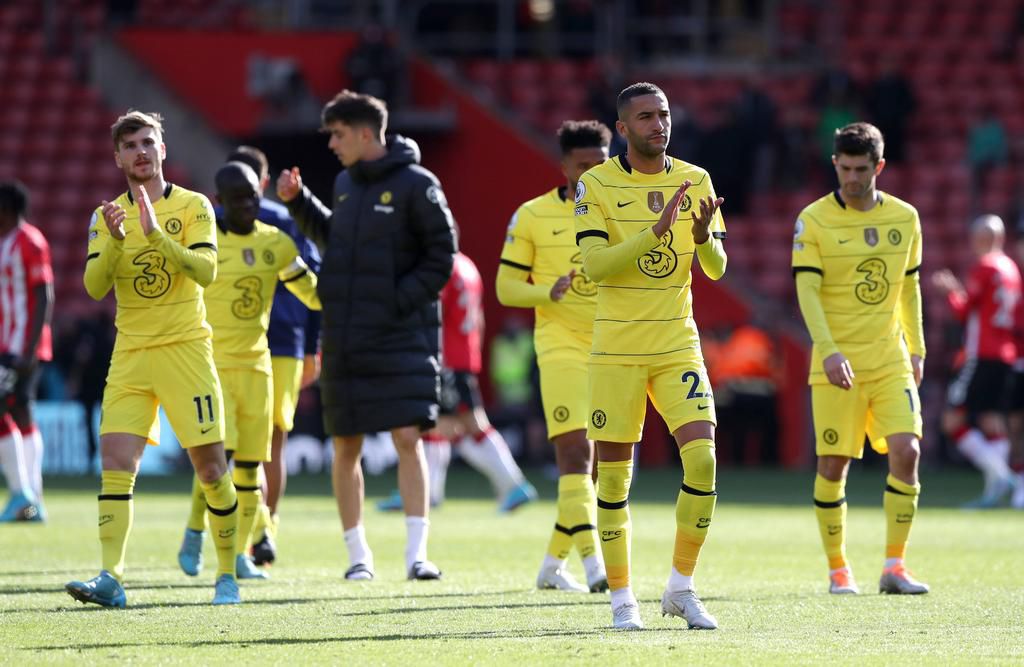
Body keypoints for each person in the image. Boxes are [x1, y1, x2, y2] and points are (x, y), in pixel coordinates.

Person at [276, 90, 455, 581]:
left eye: (336, 134)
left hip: (401, 336)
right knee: (346, 444)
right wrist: (300, 205)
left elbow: (442, 256)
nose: (331, 144)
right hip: (347, 338)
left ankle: (417, 556)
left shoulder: (419, 184)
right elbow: (339, 240)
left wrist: (394, 302)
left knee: (406, 436)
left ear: (363, 132)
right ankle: (358, 558)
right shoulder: (343, 184)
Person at [65, 110, 240, 607]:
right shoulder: (106, 218)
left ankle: (226, 574)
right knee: (115, 467)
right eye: (130, 145)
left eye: (148, 142)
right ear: (117, 156)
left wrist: (158, 235)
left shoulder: (194, 205)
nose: (140, 151)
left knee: (209, 471)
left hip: (186, 350)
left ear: (163, 149)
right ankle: (111, 577)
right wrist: (119, 243)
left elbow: (206, 270)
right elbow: (95, 288)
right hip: (131, 355)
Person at [574, 82, 726, 631]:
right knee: (613, 482)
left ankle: (681, 588)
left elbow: (716, 268)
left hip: (676, 343)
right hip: (616, 348)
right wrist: (653, 233)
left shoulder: (696, 179)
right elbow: (594, 267)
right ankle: (621, 599)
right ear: (622, 128)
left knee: (704, 459)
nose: (657, 124)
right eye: (644, 117)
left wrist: (705, 238)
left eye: (662, 115)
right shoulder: (595, 184)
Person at [792, 122, 929, 597]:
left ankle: (895, 566)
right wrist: (828, 351)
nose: (851, 177)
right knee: (834, 466)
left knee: (908, 451)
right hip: (836, 363)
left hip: (890, 358)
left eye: (861, 169)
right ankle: (838, 569)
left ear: (879, 167)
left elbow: (909, 286)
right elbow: (806, 292)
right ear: (835, 163)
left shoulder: (906, 218)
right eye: (844, 168)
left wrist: (917, 347)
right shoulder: (813, 220)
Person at [177, 161, 321, 580]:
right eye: (237, 198)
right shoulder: (203, 246)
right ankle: (193, 530)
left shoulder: (275, 242)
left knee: (250, 465)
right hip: (214, 367)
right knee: (219, 460)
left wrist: (346, 295)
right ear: (219, 202)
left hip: (259, 367)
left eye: (253, 196)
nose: (247, 204)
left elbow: (310, 293)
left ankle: (239, 553)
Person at [495, 119, 612, 593]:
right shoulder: (532, 216)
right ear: (563, 165)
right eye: (582, 166)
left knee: (603, 464)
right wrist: (550, 291)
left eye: (599, 165)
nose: (590, 175)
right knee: (574, 453)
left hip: (612, 346)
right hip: (560, 344)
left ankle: (551, 566)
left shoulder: (620, 212)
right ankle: (595, 566)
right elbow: (505, 288)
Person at [220, 145, 322, 567]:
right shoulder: (285, 220)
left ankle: (257, 533)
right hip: (286, 342)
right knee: (270, 444)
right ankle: (264, 532)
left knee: (236, 446)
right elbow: (319, 283)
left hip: (249, 344)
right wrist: (313, 346)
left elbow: (313, 283)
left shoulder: (219, 221)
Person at [379, 250, 537, 513]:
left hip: (447, 358)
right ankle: (425, 492)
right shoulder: (468, 265)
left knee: (471, 424)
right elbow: (479, 318)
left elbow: (432, 316)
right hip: (462, 355)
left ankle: (513, 484)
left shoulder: (442, 267)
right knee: (433, 424)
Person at [932, 215, 1023, 508]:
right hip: (1007, 355)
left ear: (981, 239)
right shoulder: (1011, 270)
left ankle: (1002, 475)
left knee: (951, 421)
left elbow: (963, 311)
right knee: (992, 421)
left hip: (980, 353)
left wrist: (950, 293)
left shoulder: (985, 266)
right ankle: (996, 490)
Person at [0, 180, 52, 522]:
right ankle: (33, 499)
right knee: (22, 414)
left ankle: (23, 494)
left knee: (7, 412)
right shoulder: (6, 243)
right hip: (8, 344)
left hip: (22, 346)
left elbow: (44, 294)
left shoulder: (29, 241)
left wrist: (30, 349)